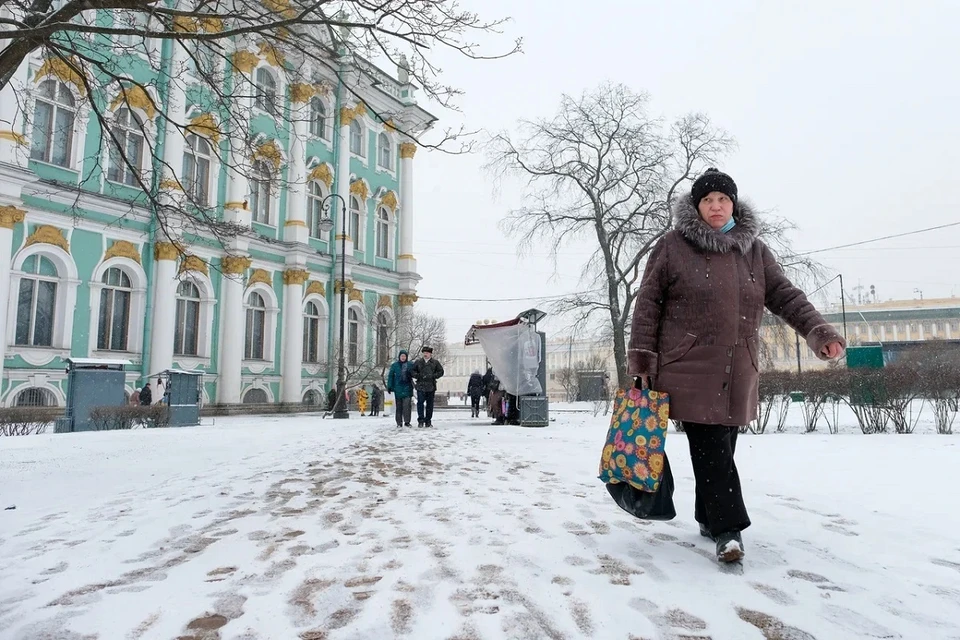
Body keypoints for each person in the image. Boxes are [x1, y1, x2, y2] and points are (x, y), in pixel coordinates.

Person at [628, 168, 846, 566]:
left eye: (723, 199)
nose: (715, 206)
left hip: (739, 366)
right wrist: (643, 359)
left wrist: (819, 332)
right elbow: (648, 304)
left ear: (734, 204)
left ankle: (707, 517)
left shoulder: (755, 251)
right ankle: (729, 530)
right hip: (687, 365)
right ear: (696, 206)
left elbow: (784, 295)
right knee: (712, 447)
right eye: (708, 199)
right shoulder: (673, 246)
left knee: (722, 446)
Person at [411, 346, 444, 428]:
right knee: (420, 403)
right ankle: (421, 420)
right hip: (421, 385)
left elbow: (441, 371)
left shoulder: (435, 362)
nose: (425, 354)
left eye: (427, 353)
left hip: (431, 386)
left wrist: (433, 376)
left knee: (430, 405)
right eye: (424, 353)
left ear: (430, 354)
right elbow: (412, 371)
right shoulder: (418, 362)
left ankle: (428, 420)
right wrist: (418, 376)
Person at [386, 350, 414, 428]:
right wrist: (389, 386)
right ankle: (399, 422)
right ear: (399, 357)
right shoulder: (395, 365)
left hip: (407, 388)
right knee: (399, 407)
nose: (403, 358)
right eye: (402, 356)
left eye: (404, 356)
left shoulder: (410, 365)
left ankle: (407, 422)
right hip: (398, 388)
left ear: (406, 357)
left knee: (407, 406)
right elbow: (390, 376)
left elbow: (415, 373)